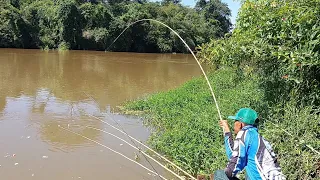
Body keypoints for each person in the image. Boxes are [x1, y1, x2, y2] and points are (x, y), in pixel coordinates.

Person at [214, 108, 285, 180]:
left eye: (235, 121)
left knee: (219, 174)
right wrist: (226, 130)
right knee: (249, 168)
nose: (234, 124)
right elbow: (234, 154)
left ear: (240, 124)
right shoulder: (259, 138)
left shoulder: (244, 133)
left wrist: (228, 172)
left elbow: (232, 167)